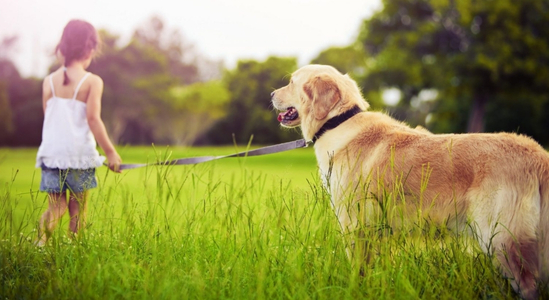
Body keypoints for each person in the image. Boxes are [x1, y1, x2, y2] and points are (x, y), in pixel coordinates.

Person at [35, 19, 122, 246]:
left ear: (62, 48)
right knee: (78, 210)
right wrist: (110, 153)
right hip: (79, 156)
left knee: (56, 207)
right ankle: (75, 252)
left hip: (52, 155)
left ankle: (39, 243)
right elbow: (93, 119)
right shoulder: (92, 81)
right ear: (90, 50)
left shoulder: (48, 82)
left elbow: (49, 118)